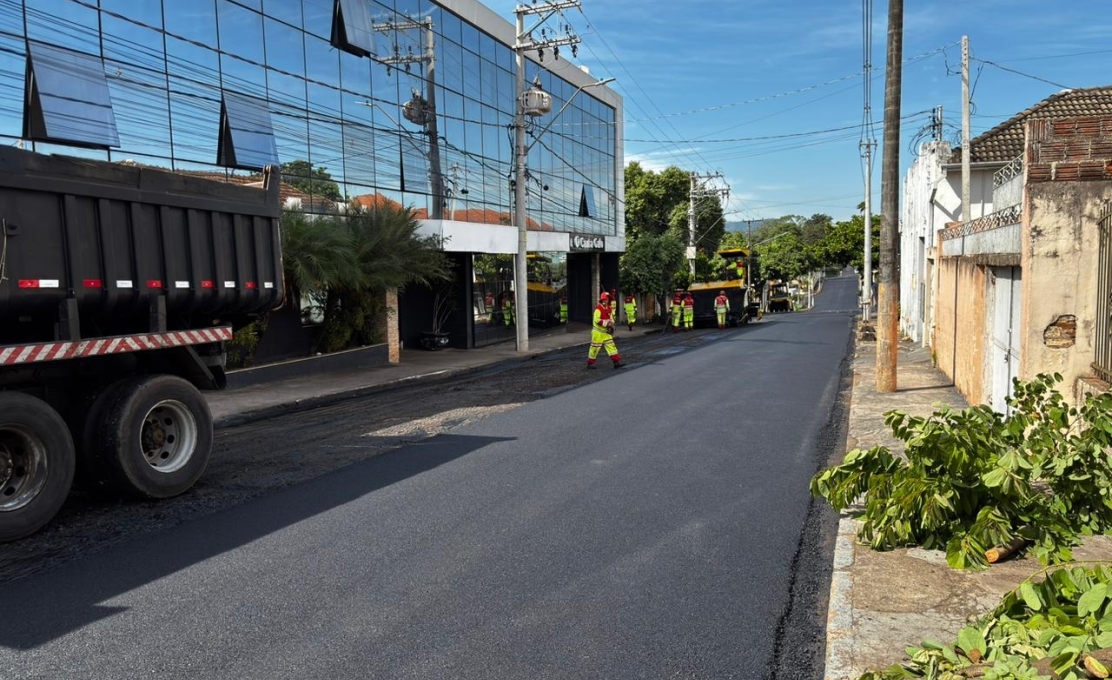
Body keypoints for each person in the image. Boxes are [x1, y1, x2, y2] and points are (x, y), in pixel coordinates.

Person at [587, 292, 625, 369]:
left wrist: (612, 323)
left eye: (607, 299)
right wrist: (607, 323)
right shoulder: (598, 309)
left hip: (606, 332)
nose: (606, 301)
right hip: (598, 332)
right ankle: (590, 364)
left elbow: (611, 318)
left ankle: (616, 362)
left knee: (611, 346)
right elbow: (596, 320)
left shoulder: (609, 308)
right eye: (604, 299)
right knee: (595, 348)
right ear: (601, 300)